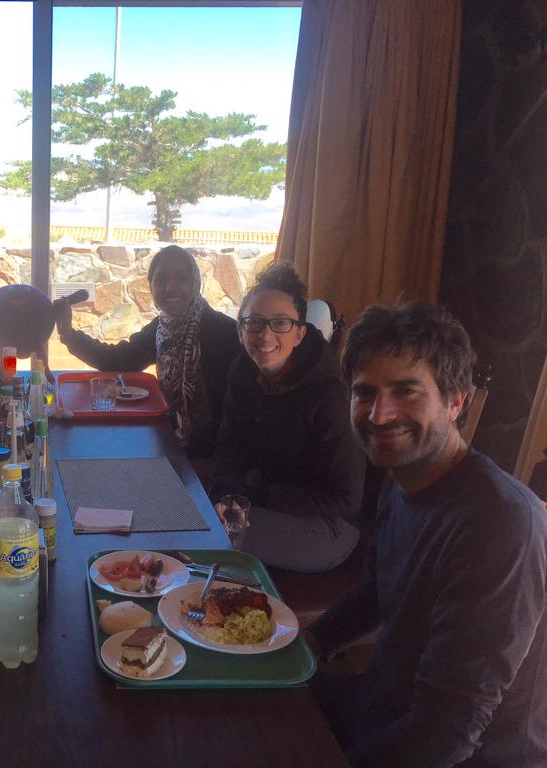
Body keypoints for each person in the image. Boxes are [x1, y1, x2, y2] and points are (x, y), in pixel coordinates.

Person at [305, 302, 547, 767]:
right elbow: (377, 589)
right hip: (389, 707)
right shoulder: (403, 479)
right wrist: (309, 645)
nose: (379, 414)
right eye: (364, 393)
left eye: (406, 391)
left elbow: (451, 730)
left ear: (456, 402)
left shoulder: (499, 524)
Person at [209, 263, 364, 572]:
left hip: (328, 528)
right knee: (189, 514)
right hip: (261, 505)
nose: (265, 335)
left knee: (202, 533)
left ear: (299, 333)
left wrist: (252, 494)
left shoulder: (329, 394)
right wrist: (226, 494)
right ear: (240, 331)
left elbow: (346, 499)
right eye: (254, 322)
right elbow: (229, 446)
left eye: (280, 323)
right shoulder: (243, 372)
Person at [55, 245, 240, 461]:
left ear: (195, 283)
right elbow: (118, 360)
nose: (170, 287)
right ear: (151, 286)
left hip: (213, 457)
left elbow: (237, 412)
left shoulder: (224, 331)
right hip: (172, 441)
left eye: (181, 278)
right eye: (161, 280)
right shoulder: (162, 327)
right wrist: (68, 333)